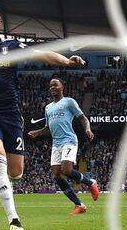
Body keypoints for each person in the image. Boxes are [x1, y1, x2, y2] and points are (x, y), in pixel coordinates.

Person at [0, 7, 86, 230]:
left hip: (12, 116)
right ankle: (13, 219)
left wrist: (65, 62)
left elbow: (43, 53)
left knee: (16, 172)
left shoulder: (12, 47)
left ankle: (7, 187)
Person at [27, 78, 99, 214]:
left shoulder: (68, 102)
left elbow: (83, 117)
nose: (52, 87)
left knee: (66, 170)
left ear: (62, 87)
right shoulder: (48, 107)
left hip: (69, 140)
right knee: (57, 176)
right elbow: (48, 127)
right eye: (50, 86)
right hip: (56, 144)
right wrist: (38, 132)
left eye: (55, 85)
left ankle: (90, 183)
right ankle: (79, 205)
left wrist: (88, 129)